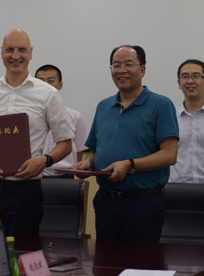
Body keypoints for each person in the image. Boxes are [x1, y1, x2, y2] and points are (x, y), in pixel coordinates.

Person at [0, 29, 73, 236]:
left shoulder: (49, 94)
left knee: (23, 251)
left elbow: (65, 143)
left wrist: (44, 160)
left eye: (22, 50)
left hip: (26, 190)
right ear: (1, 52)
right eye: (9, 50)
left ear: (31, 53)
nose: (15, 56)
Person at [75, 45, 178, 243]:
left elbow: (169, 155)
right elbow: (95, 151)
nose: (121, 70)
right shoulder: (103, 106)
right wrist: (87, 164)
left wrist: (129, 165)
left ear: (143, 69)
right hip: (106, 201)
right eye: (116, 65)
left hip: (143, 203)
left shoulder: (161, 105)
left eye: (128, 64)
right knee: (105, 260)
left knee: (141, 261)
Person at [34, 64, 88, 178]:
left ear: (60, 85)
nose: (46, 85)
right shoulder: (27, 116)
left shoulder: (75, 116)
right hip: (34, 176)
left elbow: (79, 152)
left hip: (65, 177)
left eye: (51, 81)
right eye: (41, 81)